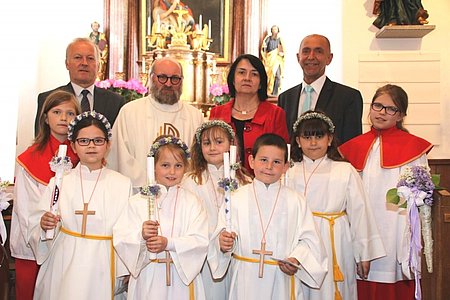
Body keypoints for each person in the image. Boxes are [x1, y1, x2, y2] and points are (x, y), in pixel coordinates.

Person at [339, 84, 433, 300]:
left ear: (400, 115)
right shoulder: (352, 147)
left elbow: (419, 198)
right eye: (378, 106)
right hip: (361, 230)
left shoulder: (413, 149)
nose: (381, 112)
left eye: (390, 109)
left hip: (395, 229)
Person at [208, 133, 327, 299]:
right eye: (263, 160)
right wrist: (223, 243)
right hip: (245, 280)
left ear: (286, 166)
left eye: (276, 162)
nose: (269, 166)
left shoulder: (296, 201)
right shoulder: (236, 198)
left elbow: (310, 241)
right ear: (251, 161)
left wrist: (296, 259)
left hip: (281, 280)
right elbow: (221, 236)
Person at [28, 111, 133, 299]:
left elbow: (128, 231)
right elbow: (37, 224)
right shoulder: (60, 182)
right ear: (73, 146)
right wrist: (44, 225)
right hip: (64, 262)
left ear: (108, 145)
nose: (91, 146)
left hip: (103, 264)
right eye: (83, 141)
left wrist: (125, 267)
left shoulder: (122, 184)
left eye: (98, 141)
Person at [287, 111, 385, 300]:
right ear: (298, 141)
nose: (313, 143)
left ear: (330, 139)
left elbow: (360, 212)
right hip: (299, 239)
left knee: (334, 289)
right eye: (307, 137)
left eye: (319, 136)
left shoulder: (344, 170)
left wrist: (364, 253)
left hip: (334, 239)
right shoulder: (290, 170)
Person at [113, 136, 208, 299]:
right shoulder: (138, 202)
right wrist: (141, 236)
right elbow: (122, 238)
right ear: (153, 167)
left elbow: (200, 240)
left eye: (178, 166)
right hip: (149, 277)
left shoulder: (193, 202)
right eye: (165, 165)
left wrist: (168, 243)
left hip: (182, 281)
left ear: (185, 168)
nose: (172, 172)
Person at [11, 91, 81, 300]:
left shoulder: (84, 156)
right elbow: (25, 208)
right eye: (57, 112)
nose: (63, 118)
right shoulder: (29, 158)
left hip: (69, 243)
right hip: (32, 245)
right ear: (45, 117)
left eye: (70, 113)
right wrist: (40, 231)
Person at [108, 57, 203, 190]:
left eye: (175, 78)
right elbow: (121, 157)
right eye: (162, 77)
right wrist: (148, 185)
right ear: (151, 78)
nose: (168, 84)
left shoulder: (195, 116)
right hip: (139, 194)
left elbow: (198, 162)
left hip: (183, 196)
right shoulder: (130, 112)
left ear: (181, 81)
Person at [183, 120, 252, 300]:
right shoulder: (190, 181)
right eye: (206, 143)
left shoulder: (245, 181)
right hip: (204, 255)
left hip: (237, 253)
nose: (212, 147)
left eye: (219, 142)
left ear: (231, 144)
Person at [209, 54, 289, 173]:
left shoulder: (275, 114)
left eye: (254, 74)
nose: (247, 78)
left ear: (261, 83)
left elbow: (282, 154)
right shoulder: (217, 113)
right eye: (241, 72)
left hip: (262, 183)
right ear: (233, 80)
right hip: (223, 182)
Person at [277, 34, 363, 144]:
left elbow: (352, 145)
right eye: (306, 51)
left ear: (329, 58)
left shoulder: (348, 97)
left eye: (318, 51)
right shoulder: (285, 98)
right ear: (298, 57)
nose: (311, 57)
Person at [34, 37, 125, 136]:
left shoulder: (115, 102)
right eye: (78, 57)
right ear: (67, 64)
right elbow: (40, 141)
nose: (84, 63)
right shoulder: (48, 99)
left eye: (90, 58)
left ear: (98, 66)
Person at [261, 25, 285, 96]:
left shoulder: (280, 40)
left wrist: (281, 53)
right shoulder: (268, 39)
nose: (275, 31)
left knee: (277, 76)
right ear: (271, 31)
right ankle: (269, 91)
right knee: (269, 75)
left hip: (277, 60)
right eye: (273, 29)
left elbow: (283, 50)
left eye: (276, 29)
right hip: (270, 60)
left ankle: (275, 92)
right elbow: (264, 48)